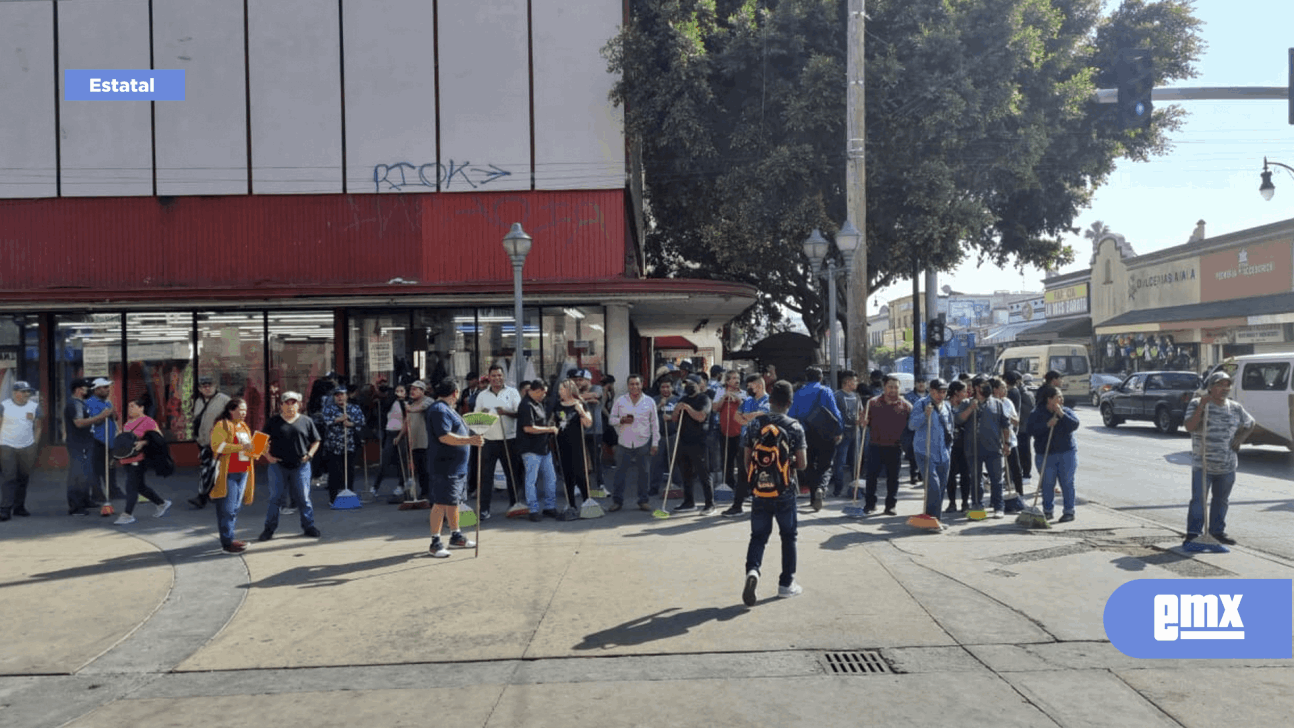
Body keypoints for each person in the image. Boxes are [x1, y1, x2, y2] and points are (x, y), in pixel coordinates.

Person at [741, 380, 807, 605]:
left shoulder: (755, 424)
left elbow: (747, 459)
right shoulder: (794, 426)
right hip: (786, 490)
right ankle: (786, 583)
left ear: (769, 400)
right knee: (788, 536)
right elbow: (802, 463)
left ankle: (753, 572)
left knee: (758, 536)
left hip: (760, 490)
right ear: (790, 402)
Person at [1181, 371, 1254, 546]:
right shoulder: (1197, 403)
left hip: (1227, 465)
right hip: (1203, 464)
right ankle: (1193, 534)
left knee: (1221, 500)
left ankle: (1217, 532)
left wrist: (1240, 439)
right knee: (1199, 500)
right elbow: (1189, 427)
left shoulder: (1235, 407)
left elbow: (1250, 423)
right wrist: (1202, 407)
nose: (1224, 388)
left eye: (1227, 385)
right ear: (1211, 387)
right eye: (1220, 385)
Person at [425, 378, 483, 557]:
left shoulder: (447, 409)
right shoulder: (439, 410)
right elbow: (445, 437)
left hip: (455, 466)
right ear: (455, 393)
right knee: (440, 502)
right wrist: (470, 440)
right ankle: (435, 541)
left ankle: (456, 535)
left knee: (453, 501)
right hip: (444, 466)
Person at [258, 391, 321, 541]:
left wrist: (310, 455)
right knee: (275, 498)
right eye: (287, 403)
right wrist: (268, 456)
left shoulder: (306, 421)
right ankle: (269, 529)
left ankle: (309, 526)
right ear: (281, 405)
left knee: (304, 498)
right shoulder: (273, 422)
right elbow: (259, 442)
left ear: (299, 405)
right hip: (278, 465)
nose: (290, 406)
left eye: (294, 403)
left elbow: (316, 440)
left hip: (301, 465)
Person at [787, 366, 842, 512]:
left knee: (809, 465)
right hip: (825, 433)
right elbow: (835, 413)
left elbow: (792, 415)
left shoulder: (798, 393)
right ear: (820, 377)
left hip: (805, 433)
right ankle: (821, 488)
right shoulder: (826, 391)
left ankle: (813, 498)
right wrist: (839, 430)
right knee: (825, 464)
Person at [956, 379, 1012, 518]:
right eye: (983, 386)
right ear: (975, 387)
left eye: (988, 386)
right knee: (975, 478)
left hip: (993, 448)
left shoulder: (997, 403)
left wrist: (1007, 443)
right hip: (973, 448)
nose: (987, 389)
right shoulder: (966, 403)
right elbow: (958, 420)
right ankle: (977, 505)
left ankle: (999, 506)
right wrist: (971, 408)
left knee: (996, 479)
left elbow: (1005, 425)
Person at [112, 396, 172, 525]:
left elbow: (159, 438)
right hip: (126, 459)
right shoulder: (127, 423)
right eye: (129, 406)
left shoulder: (148, 421)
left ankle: (127, 514)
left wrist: (144, 442)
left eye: (133, 406)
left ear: (141, 408)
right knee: (140, 486)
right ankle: (162, 503)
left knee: (131, 486)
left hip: (139, 459)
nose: (130, 409)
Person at [1025, 385, 1081, 523]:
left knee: (1067, 482)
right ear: (1049, 399)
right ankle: (1048, 510)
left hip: (1066, 453)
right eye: (1058, 397)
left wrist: (1061, 414)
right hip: (1046, 454)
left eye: (1061, 396)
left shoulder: (1066, 411)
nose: (1061, 399)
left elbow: (1074, 425)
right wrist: (1047, 425)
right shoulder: (1037, 413)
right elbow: (1030, 430)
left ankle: (1069, 511)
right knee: (1047, 483)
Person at [474, 365, 522, 519]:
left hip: (509, 439)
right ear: (489, 377)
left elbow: (520, 413)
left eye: (499, 375)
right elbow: (476, 418)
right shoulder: (482, 395)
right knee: (486, 476)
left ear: (503, 377)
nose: (497, 378)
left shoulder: (512, 392)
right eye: (493, 376)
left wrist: (505, 412)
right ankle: (484, 509)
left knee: (512, 474)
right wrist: (484, 414)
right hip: (489, 440)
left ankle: (515, 504)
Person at [209, 397, 256, 553]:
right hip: (227, 473)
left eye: (245, 410)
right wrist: (241, 446)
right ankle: (227, 543)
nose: (244, 413)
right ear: (231, 410)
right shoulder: (222, 425)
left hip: (243, 472)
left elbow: (247, 450)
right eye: (240, 410)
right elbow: (218, 446)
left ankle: (230, 538)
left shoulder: (244, 426)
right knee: (227, 509)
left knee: (234, 508)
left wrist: (258, 448)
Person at [861, 375, 911, 516]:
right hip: (875, 445)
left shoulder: (906, 406)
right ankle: (870, 504)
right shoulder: (873, 402)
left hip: (895, 446)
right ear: (884, 387)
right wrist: (862, 421)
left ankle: (890, 506)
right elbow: (863, 420)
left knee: (893, 478)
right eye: (890, 387)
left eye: (896, 387)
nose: (893, 390)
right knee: (871, 477)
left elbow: (913, 423)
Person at [609, 374, 659, 512]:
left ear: (642, 384)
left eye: (637, 384)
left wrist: (655, 443)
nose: (634, 387)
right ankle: (617, 501)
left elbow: (655, 424)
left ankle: (643, 501)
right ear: (628, 386)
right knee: (619, 474)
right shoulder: (620, 401)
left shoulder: (649, 402)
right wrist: (621, 420)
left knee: (644, 473)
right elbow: (611, 420)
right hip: (624, 442)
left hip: (643, 442)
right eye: (631, 384)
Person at [724, 373, 769, 516]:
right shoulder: (748, 401)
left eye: (751, 386)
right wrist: (752, 417)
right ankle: (737, 505)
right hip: (745, 441)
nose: (748, 389)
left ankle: (763, 505)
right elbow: (738, 417)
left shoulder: (769, 401)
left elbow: (765, 415)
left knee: (762, 474)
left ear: (760, 386)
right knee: (743, 474)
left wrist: (752, 416)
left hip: (763, 443)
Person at [909, 378, 952, 523]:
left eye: (944, 391)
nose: (941, 394)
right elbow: (912, 425)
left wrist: (948, 448)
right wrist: (924, 415)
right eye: (939, 391)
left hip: (943, 453)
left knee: (941, 487)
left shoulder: (946, 406)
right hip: (925, 451)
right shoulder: (921, 404)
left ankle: (932, 518)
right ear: (931, 391)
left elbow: (950, 427)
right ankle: (933, 519)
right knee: (933, 486)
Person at [517, 379, 559, 522]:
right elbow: (528, 428)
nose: (544, 395)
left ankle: (549, 507)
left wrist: (548, 426)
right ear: (536, 391)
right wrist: (549, 429)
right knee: (531, 480)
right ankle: (533, 509)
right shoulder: (526, 405)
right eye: (543, 392)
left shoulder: (538, 403)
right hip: (530, 449)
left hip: (543, 447)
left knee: (551, 478)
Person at [671, 377, 714, 514]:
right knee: (686, 473)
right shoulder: (683, 399)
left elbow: (701, 416)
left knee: (703, 473)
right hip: (683, 441)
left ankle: (710, 504)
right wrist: (677, 410)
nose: (688, 386)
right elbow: (674, 418)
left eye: (692, 383)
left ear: (699, 385)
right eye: (686, 383)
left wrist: (688, 409)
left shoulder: (704, 399)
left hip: (699, 441)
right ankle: (689, 502)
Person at [0, 381, 42, 521]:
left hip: (27, 446)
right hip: (6, 445)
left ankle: (19, 507)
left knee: (23, 477)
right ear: (14, 393)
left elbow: (38, 426)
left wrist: (34, 443)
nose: (26, 394)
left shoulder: (34, 406)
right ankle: (5, 509)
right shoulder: (4, 406)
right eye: (23, 392)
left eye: (27, 392)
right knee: (9, 477)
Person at [318, 385, 365, 505]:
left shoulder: (354, 408)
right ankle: (333, 498)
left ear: (346, 396)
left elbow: (361, 421)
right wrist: (338, 420)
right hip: (333, 446)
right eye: (337, 395)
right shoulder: (328, 408)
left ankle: (349, 494)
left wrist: (351, 423)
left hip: (349, 444)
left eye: (342, 395)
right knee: (334, 472)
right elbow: (324, 421)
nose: (339, 398)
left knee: (349, 471)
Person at [189, 375, 231, 509]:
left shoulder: (225, 400)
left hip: (219, 441)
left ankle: (202, 497)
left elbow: (233, 419)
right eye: (203, 386)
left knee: (208, 469)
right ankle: (214, 493)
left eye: (209, 385)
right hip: (203, 441)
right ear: (200, 389)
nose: (207, 388)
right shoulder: (198, 401)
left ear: (215, 386)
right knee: (211, 469)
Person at [63, 378, 98, 515]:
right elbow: (78, 422)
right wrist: (100, 417)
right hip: (78, 443)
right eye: (86, 388)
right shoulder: (75, 404)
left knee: (85, 472)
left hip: (85, 442)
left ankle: (84, 499)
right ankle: (75, 506)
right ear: (78, 390)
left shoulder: (80, 403)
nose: (88, 390)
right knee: (77, 473)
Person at [85, 377, 122, 504]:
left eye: (108, 387)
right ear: (96, 389)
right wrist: (105, 414)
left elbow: (115, 417)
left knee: (111, 467)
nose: (108, 390)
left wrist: (113, 414)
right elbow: (95, 420)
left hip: (110, 439)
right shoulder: (90, 402)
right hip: (97, 439)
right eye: (105, 387)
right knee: (96, 469)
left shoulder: (107, 402)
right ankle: (97, 493)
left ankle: (113, 490)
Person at [713, 369, 747, 497]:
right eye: (733, 378)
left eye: (738, 378)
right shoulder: (720, 392)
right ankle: (728, 484)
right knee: (727, 460)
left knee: (741, 460)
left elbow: (747, 410)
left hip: (740, 431)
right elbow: (715, 408)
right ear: (727, 381)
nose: (737, 380)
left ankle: (743, 487)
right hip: (724, 431)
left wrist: (738, 400)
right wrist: (724, 397)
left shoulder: (744, 393)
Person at [571, 369, 606, 493]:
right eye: (576, 380)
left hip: (595, 430)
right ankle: (580, 485)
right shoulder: (576, 391)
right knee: (579, 459)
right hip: (580, 429)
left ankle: (600, 485)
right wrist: (585, 399)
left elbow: (595, 396)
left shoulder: (596, 388)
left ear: (588, 380)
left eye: (580, 380)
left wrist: (578, 399)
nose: (578, 382)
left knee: (596, 458)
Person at [371, 384, 407, 498]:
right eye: (397, 390)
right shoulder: (390, 402)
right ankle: (375, 486)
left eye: (401, 390)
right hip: (390, 432)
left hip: (401, 433)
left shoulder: (407, 404)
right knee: (385, 460)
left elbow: (407, 419)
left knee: (401, 461)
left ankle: (402, 485)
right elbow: (383, 408)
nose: (399, 392)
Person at [830, 370, 861, 498]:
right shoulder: (837, 396)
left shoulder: (857, 396)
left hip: (855, 432)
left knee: (855, 461)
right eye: (854, 381)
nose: (856, 383)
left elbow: (861, 411)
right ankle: (838, 487)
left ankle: (855, 488)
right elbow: (832, 415)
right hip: (842, 433)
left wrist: (862, 420)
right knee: (840, 462)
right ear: (847, 382)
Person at [402, 380, 432, 503]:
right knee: (419, 469)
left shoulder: (428, 401)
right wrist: (399, 437)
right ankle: (423, 491)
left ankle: (429, 492)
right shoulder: (411, 404)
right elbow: (406, 422)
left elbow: (423, 408)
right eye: (411, 389)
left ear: (422, 391)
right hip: (414, 442)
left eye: (415, 389)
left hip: (426, 442)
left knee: (426, 468)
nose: (412, 391)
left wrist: (410, 409)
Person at [944, 381, 972, 514]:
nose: (967, 394)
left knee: (966, 475)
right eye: (964, 391)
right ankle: (951, 503)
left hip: (965, 445)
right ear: (956, 392)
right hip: (949, 445)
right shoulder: (945, 405)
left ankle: (965, 503)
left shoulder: (966, 405)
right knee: (950, 476)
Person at [651, 377, 681, 497]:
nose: (665, 389)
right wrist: (659, 406)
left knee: (675, 462)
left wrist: (671, 417)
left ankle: (677, 485)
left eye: (668, 387)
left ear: (672, 388)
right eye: (663, 387)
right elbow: (648, 415)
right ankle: (654, 487)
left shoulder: (677, 400)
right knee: (656, 463)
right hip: (658, 436)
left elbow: (681, 416)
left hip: (673, 435)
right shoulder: (654, 400)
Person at [1005, 370, 1034, 484]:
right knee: (1016, 453)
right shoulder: (1013, 392)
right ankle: (1014, 475)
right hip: (1017, 428)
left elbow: (1031, 410)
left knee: (1025, 452)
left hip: (1024, 428)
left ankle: (1026, 475)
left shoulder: (1025, 394)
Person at [902, 379, 927, 485]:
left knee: (925, 452)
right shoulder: (908, 396)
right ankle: (914, 474)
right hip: (912, 428)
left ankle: (922, 474)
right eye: (918, 382)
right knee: (913, 452)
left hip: (926, 428)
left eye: (923, 382)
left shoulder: (930, 396)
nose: (921, 384)